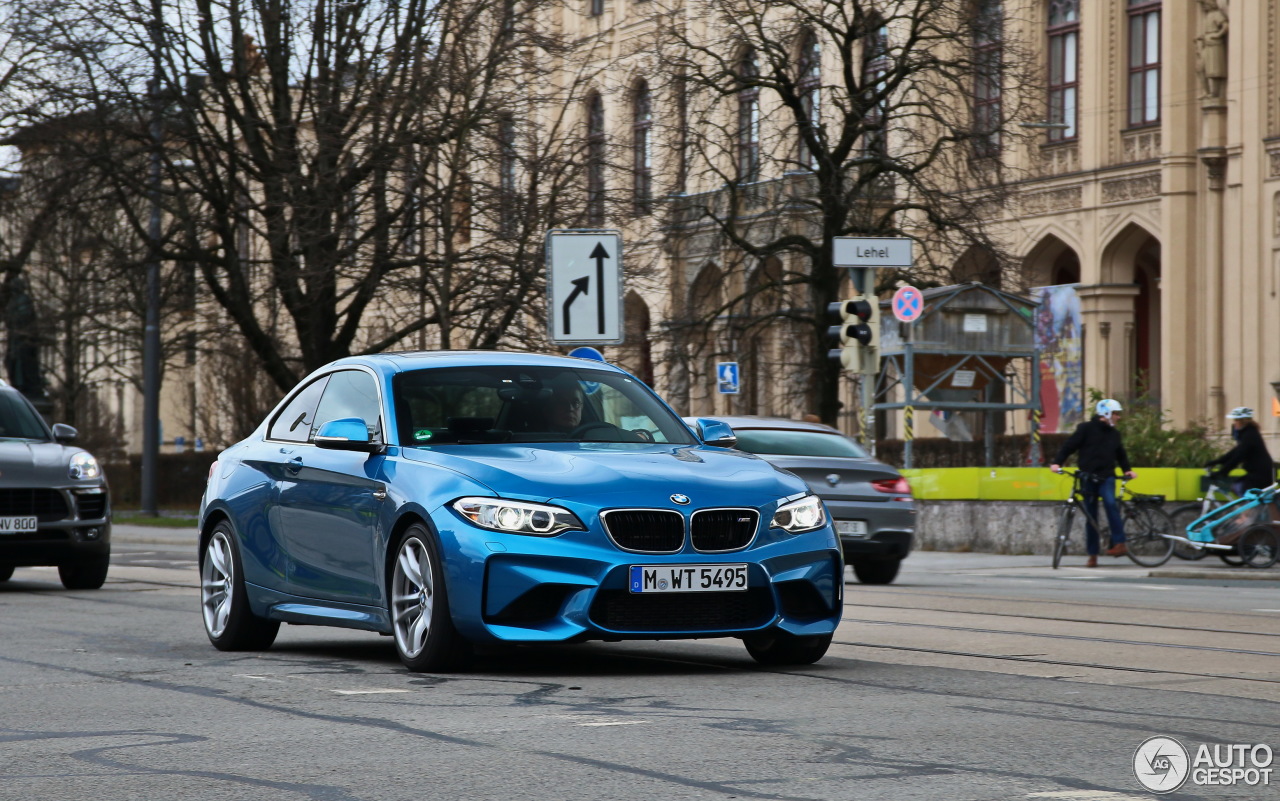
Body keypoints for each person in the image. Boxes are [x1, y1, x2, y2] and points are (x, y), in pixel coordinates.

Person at [1050, 399, 1137, 567]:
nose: (1118, 417)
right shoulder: (1086, 429)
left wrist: (1127, 469)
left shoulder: (1114, 434)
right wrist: (1057, 462)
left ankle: (1119, 543)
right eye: (1116, 414)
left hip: (1106, 477)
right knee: (1091, 516)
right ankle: (1092, 554)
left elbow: (1121, 454)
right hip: (1087, 478)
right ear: (1105, 413)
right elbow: (1069, 446)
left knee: (1111, 503)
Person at [1207, 407, 1275, 495]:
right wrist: (1218, 461)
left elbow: (1238, 456)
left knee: (1241, 489)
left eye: (1236, 420)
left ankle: (1251, 509)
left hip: (1260, 474)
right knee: (1238, 488)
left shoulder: (1249, 435)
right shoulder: (1248, 433)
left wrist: (1223, 472)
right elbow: (1235, 452)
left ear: (1242, 421)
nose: (1234, 423)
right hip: (1260, 472)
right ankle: (1261, 508)